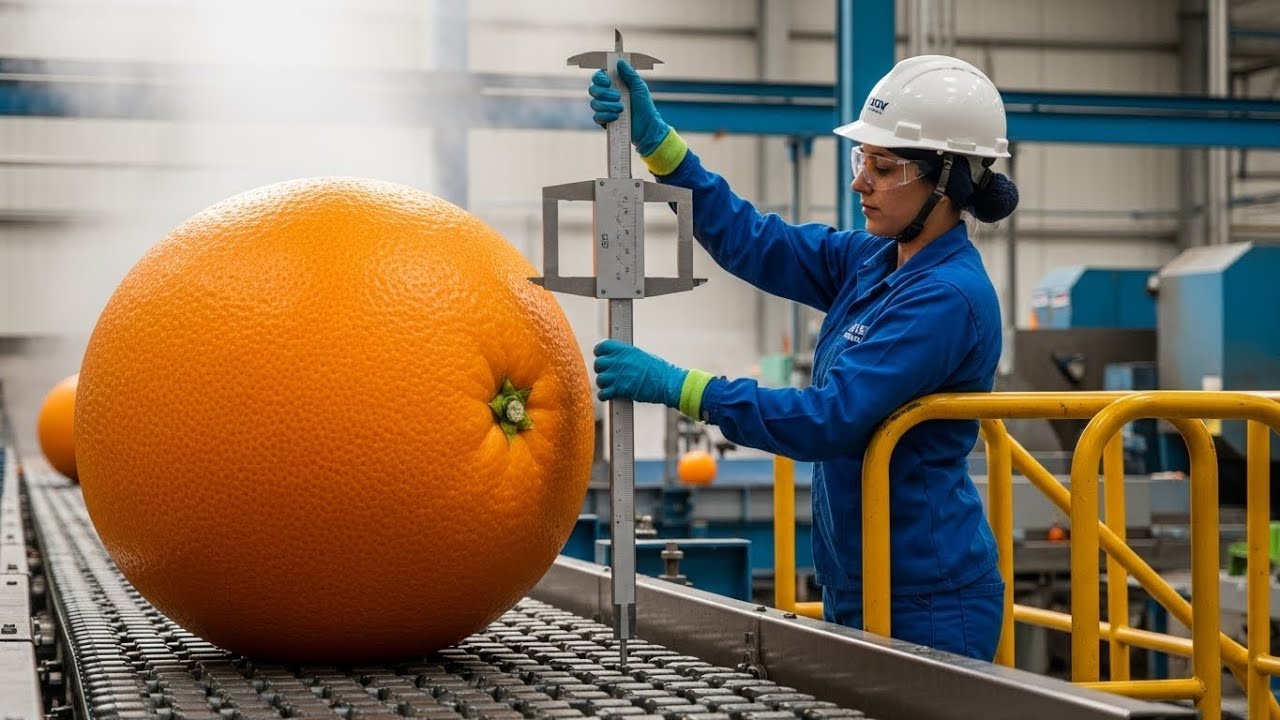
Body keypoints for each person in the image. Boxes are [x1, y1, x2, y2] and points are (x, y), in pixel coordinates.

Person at [587, 54, 1019, 662]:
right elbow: (755, 242)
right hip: (859, 579)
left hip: (927, 600)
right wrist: (659, 146)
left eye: (883, 166)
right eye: (860, 160)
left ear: (946, 180)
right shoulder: (875, 259)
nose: (859, 182)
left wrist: (680, 386)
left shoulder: (946, 298)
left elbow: (828, 419)